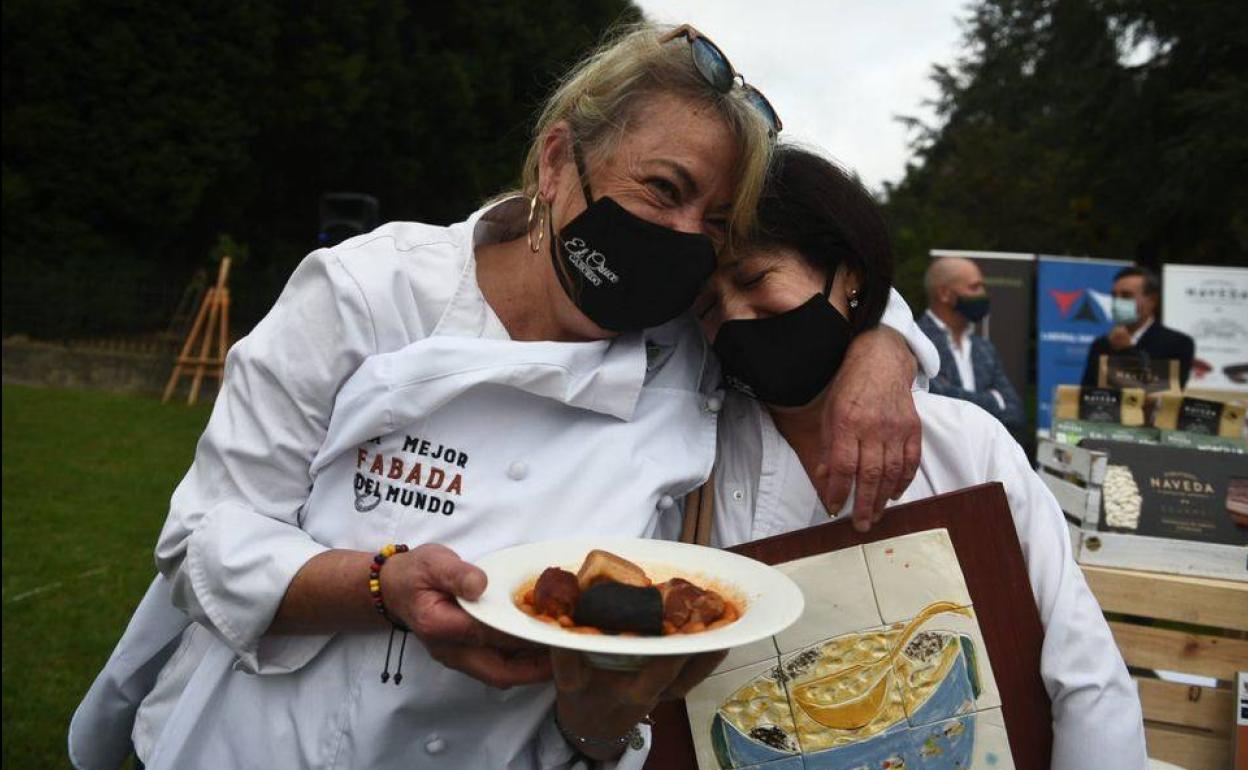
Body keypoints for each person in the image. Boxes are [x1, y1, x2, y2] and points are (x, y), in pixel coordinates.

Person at [69, 25, 939, 770]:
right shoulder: (372, 289)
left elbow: (818, 285)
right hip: (262, 741)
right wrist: (383, 586)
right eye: (663, 191)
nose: (682, 241)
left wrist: (885, 346)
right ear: (558, 162)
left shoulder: (685, 349)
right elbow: (203, 541)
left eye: (711, 224)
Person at [684, 144, 1148, 769]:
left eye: (753, 279)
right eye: (710, 308)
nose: (735, 316)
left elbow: (1086, 677)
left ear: (846, 276)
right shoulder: (693, 464)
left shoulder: (967, 444)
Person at [918, 257, 1025, 432]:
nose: (983, 294)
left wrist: (955, 396)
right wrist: (994, 400)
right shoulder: (916, 341)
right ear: (945, 294)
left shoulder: (985, 349)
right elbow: (933, 400)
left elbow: (1015, 412)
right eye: (975, 287)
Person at [1081, 265, 1195, 388]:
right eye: (1114, 296)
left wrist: (1126, 351)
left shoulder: (1177, 343)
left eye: (1126, 296)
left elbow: (1162, 393)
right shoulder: (1101, 345)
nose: (1117, 302)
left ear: (1152, 300)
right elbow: (1088, 394)